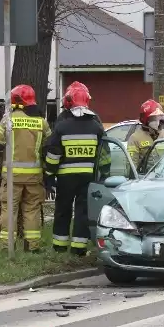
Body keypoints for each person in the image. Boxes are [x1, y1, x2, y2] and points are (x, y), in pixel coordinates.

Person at [44, 86, 109, 256]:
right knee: (83, 212)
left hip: (66, 178)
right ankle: (79, 249)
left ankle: (59, 247)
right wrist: (105, 175)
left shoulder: (62, 126)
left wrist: (49, 175)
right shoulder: (96, 126)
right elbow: (105, 155)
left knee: (63, 210)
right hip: (88, 177)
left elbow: (53, 154)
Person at [0, 85, 52, 252]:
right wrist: (49, 174)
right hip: (34, 178)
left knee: (9, 210)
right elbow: (49, 150)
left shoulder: (8, 121)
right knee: (32, 210)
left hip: (11, 178)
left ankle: (7, 247)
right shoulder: (41, 122)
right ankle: (32, 247)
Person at [127, 99, 164, 168]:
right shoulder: (135, 138)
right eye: (154, 119)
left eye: (159, 118)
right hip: (145, 177)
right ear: (145, 119)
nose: (158, 122)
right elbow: (131, 165)